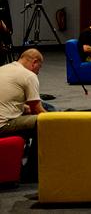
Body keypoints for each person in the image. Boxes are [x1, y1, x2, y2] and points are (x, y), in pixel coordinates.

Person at [0, 48, 47, 181]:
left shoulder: (4, 68)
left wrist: (25, 108)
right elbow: (37, 110)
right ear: (34, 62)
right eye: (39, 67)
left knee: (43, 108)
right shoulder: (29, 75)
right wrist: (57, 121)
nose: (38, 72)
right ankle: (32, 171)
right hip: (3, 125)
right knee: (44, 123)